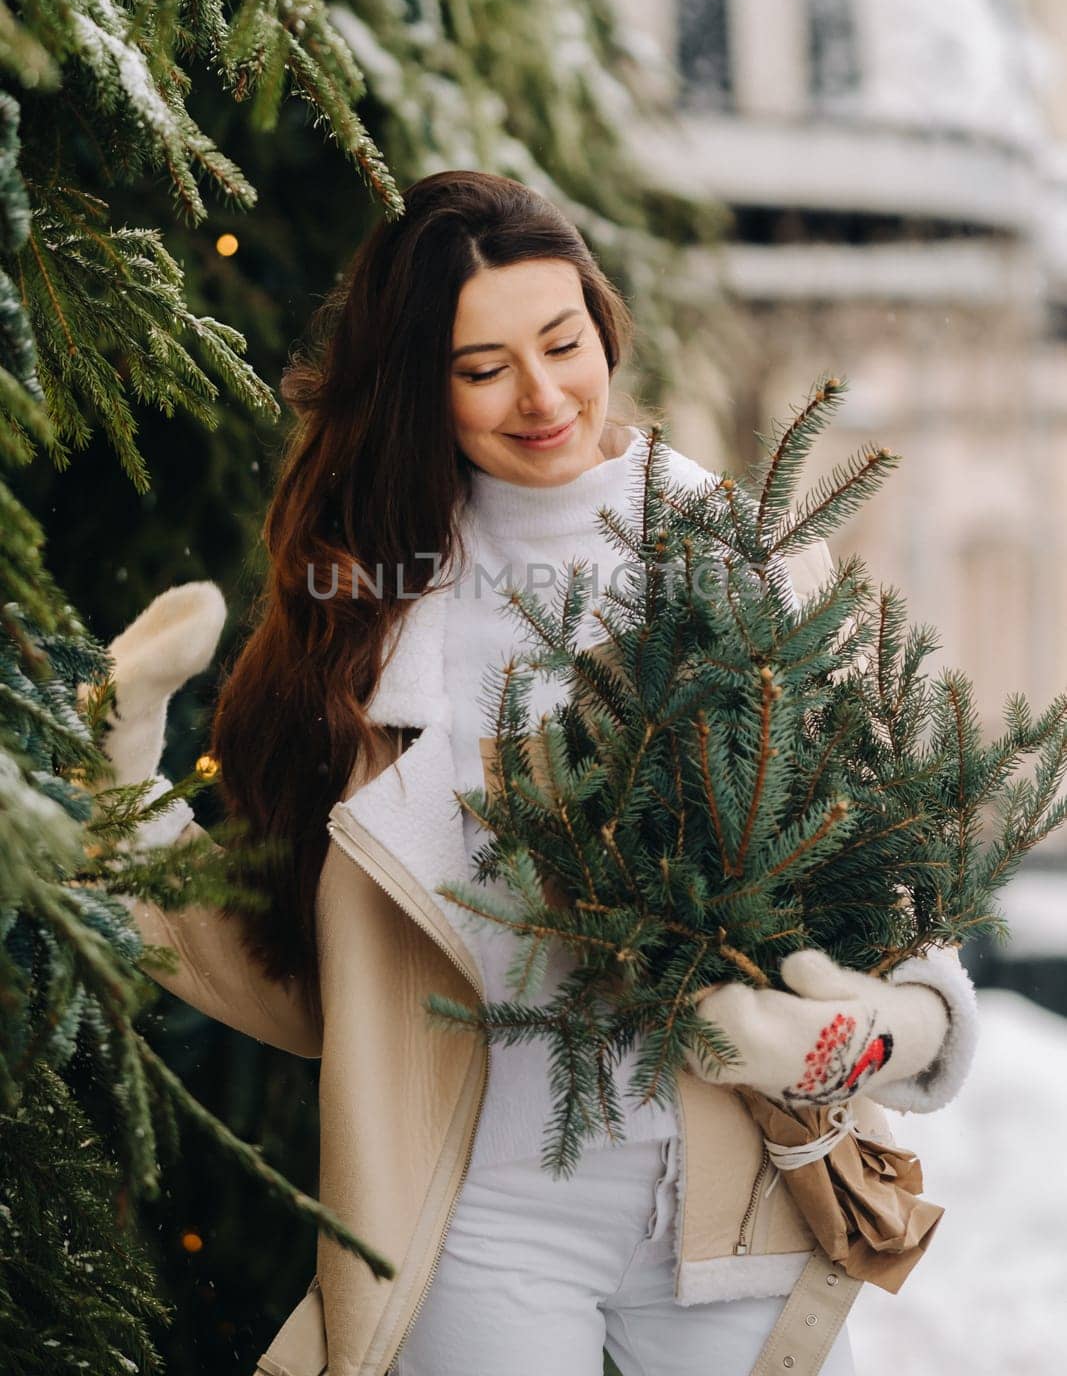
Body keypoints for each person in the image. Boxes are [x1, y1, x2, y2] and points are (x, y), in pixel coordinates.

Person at [103, 171, 978, 1376]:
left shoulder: (744, 565)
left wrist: (876, 1025)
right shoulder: (364, 625)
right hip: (480, 1211)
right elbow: (307, 974)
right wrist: (116, 799)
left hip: (727, 1200)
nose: (542, 394)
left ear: (600, 325)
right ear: (419, 386)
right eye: (481, 369)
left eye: (563, 341)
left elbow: (880, 880)